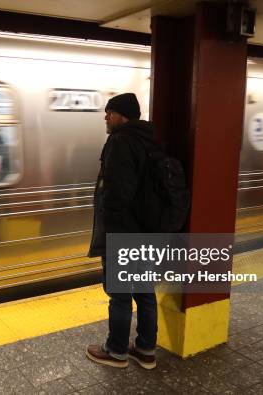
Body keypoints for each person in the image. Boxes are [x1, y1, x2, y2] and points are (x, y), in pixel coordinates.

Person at [86, 93, 158, 369]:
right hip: (147, 230)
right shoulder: (149, 139)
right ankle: (145, 349)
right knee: (145, 292)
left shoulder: (120, 142)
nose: (106, 118)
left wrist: (112, 233)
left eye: (109, 112)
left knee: (119, 294)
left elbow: (117, 193)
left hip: (124, 232)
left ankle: (116, 351)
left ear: (122, 115)